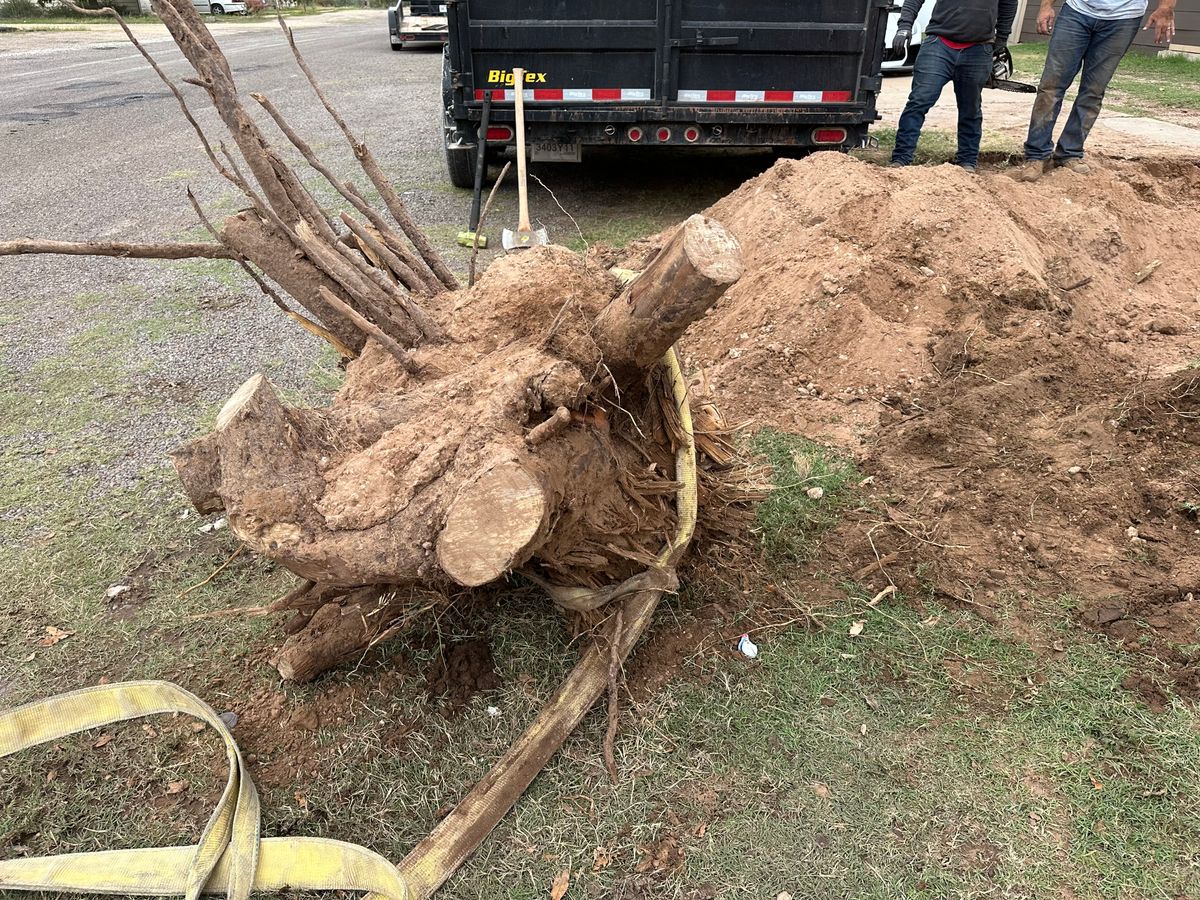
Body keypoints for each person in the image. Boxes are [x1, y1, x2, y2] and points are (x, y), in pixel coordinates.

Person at [1017, 0, 1176, 181]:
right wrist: (1046, 5)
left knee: (1093, 91)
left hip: (1124, 18)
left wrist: (1165, 7)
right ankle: (1036, 155)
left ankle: (1070, 152)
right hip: (1077, 10)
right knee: (1051, 86)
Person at [890, 0, 1019, 173]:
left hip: (979, 49)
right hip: (939, 43)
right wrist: (905, 26)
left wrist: (1001, 39)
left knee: (971, 109)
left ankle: (967, 161)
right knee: (919, 101)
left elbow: (1009, 3)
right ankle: (900, 159)